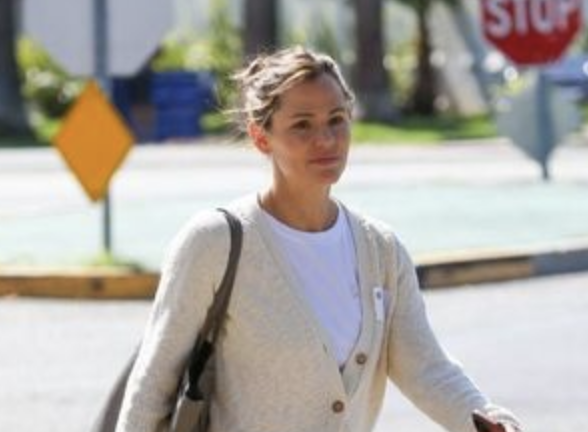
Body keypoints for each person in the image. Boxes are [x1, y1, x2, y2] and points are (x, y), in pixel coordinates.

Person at [115, 46, 522, 432]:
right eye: (302, 125)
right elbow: (152, 385)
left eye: (336, 119)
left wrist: (492, 422)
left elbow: (427, 368)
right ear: (261, 137)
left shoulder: (381, 250)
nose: (326, 139)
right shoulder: (214, 242)